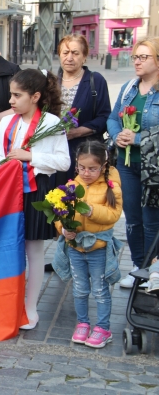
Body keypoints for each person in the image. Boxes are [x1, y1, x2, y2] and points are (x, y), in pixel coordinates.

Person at [0, 69, 70, 330]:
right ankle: (7, 302)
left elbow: (64, 161)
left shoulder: (51, 123)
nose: (10, 101)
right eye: (10, 95)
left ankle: (30, 308)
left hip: (35, 190)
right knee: (9, 250)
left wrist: (31, 157)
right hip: (8, 192)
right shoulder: (5, 122)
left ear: (35, 96)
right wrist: (3, 163)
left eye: (16, 95)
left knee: (34, 252)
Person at [53, 141, 123, 348]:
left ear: (103, 165)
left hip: (98, 247)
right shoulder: (72, 186)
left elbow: (113, 215)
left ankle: (103, 328)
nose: (86, 173)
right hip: (75, 247)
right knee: (80, 289)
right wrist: (63, 229)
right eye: (82, 167)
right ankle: (83, 323)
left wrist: (91, 211)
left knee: (100, 290)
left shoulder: (111, 187)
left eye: (92, 168)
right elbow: (59, 213)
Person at [107, 37, 159, 289]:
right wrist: (118, 134)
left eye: (143, 57)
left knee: (151, 221)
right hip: (127, 164)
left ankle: (152, 270)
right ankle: (138, 267)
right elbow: (112, 116)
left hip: (153, 167)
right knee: (132, 219)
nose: (136, 61)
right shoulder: (129, 87)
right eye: (135, 57)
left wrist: (137, 138)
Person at [55, 35, 111, 182]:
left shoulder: (95, 80)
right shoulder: (51, 82)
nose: (69, 57)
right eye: (65, 53)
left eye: (75, 53)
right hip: (56, 151)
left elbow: (104, 117)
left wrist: (77, 132)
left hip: (86, 152)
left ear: (84, 56)